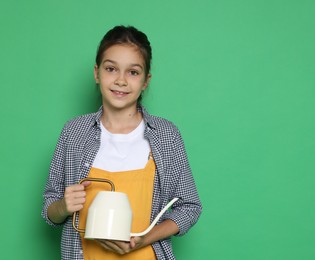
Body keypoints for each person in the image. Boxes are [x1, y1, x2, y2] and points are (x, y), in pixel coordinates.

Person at [41, 25, 202, 260]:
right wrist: (63, 207)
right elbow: (49, 210)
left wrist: (146, 238)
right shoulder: (73, 132)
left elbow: (189, 207)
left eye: (133, 72)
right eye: (111, 69)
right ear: (97, 73)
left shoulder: (167, 135)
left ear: (146, 80)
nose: (121, 80)